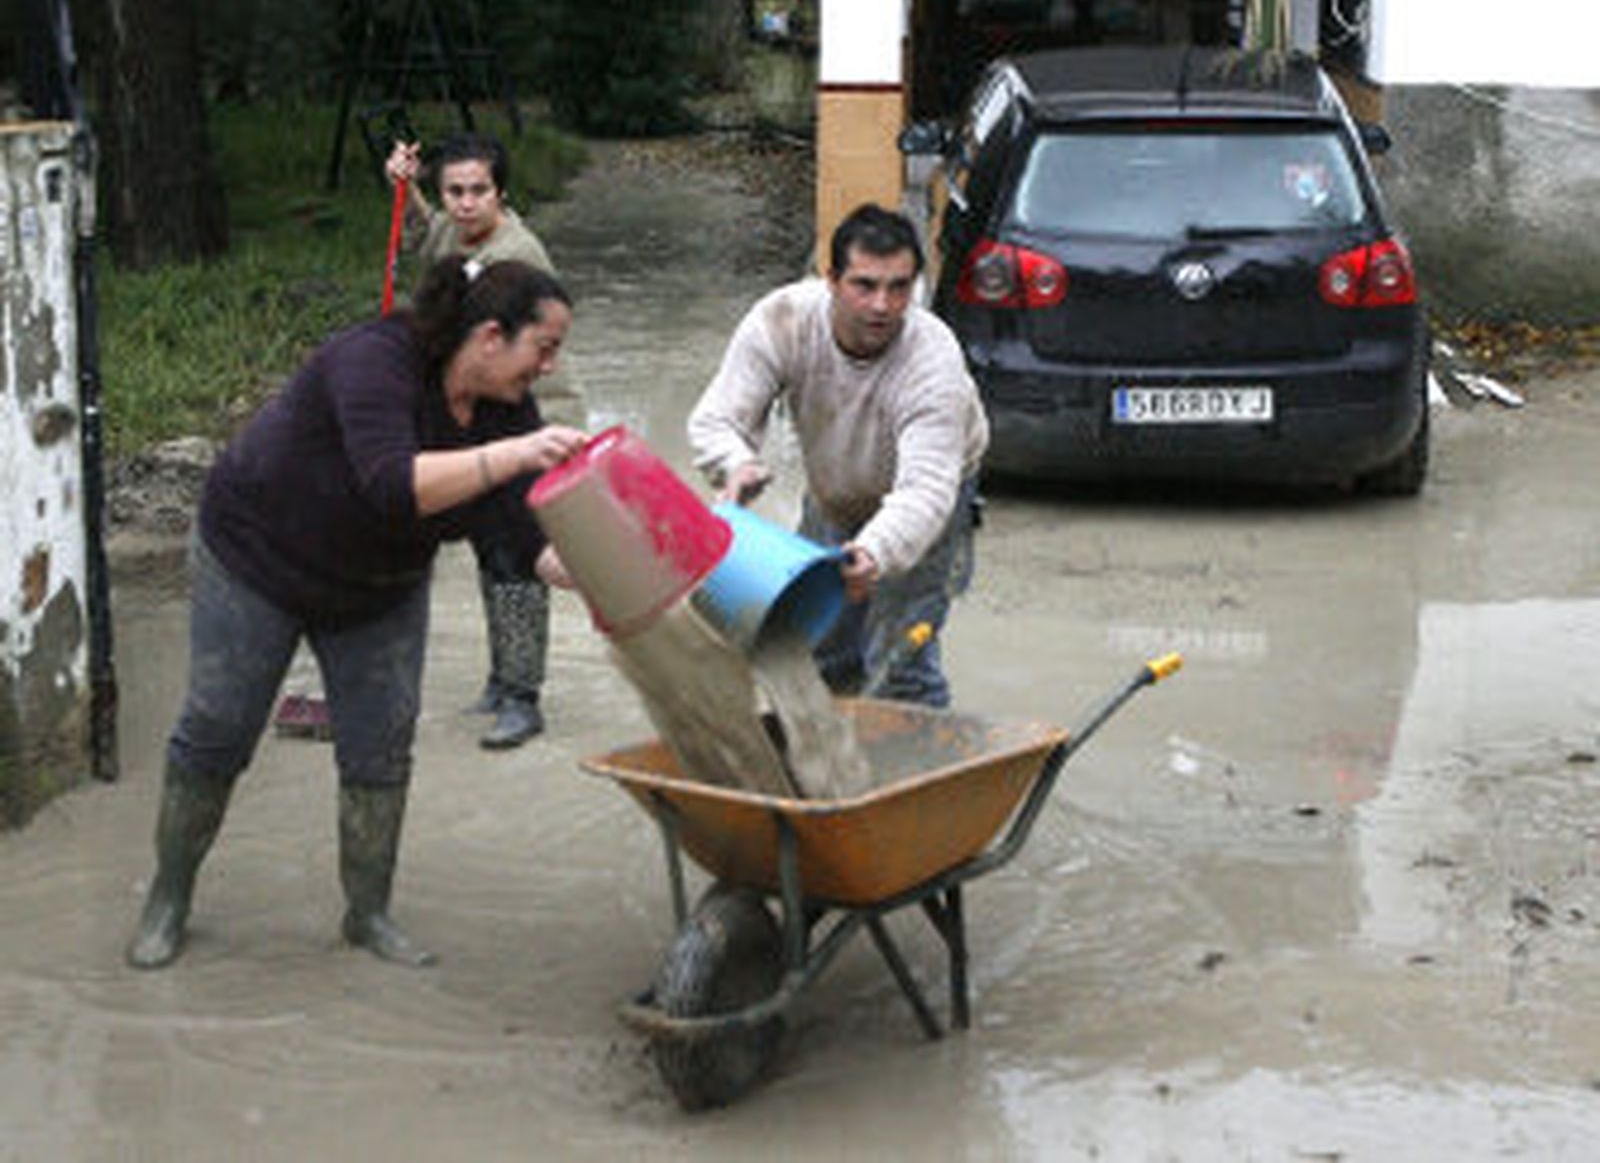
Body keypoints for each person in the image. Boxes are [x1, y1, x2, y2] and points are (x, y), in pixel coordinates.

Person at [126, 258, 587, 971]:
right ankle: (169, 896)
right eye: (545, 347)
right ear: (493, 335)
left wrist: (608, 579)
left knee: (381, 743)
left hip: (380, 585)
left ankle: (367, 914)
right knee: (218, 726)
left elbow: (525, 546)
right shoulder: (375, 358)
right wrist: (513, 454)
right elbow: (389, 483)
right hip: (257, 560)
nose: (550, 366)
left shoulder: (507, 413)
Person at [687, 203, 989, 709]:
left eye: (899, 288)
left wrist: (872, 554)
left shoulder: (932, 358)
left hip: (926, 501)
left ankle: (915, 773)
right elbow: (717, 419)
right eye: (864, 285)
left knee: (900, 659)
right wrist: (735, 464)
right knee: (817, 645)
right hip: (836, 489)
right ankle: (832, 768)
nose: (882, 305)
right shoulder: (783, 321)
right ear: (830, 280)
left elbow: (926, 491)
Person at [385, 133, 584, 749]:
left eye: (479, 192)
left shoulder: (520, 257)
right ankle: (502, 679)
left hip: (531, 416)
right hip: (477, 412)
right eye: (454, 193)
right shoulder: (449, 226)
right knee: (489, 551)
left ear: (502, 194)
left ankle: (523, 697)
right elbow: (430, 241)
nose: (466, 205)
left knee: (518, 555)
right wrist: (407, 191)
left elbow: (512, 345)